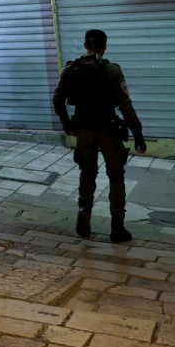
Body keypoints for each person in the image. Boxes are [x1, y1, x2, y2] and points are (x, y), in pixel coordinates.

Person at [53, 29, 146, 243]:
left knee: (87, 174)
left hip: (83, 130)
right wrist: (138, 134)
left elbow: (57, 101)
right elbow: (126, 105)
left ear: (86, 45)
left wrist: (67, 125)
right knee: (116, 175)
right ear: (104, 47)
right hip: (108, 130)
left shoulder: (70, 70)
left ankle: (84, 222)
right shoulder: (112, 70)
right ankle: (117, 228)